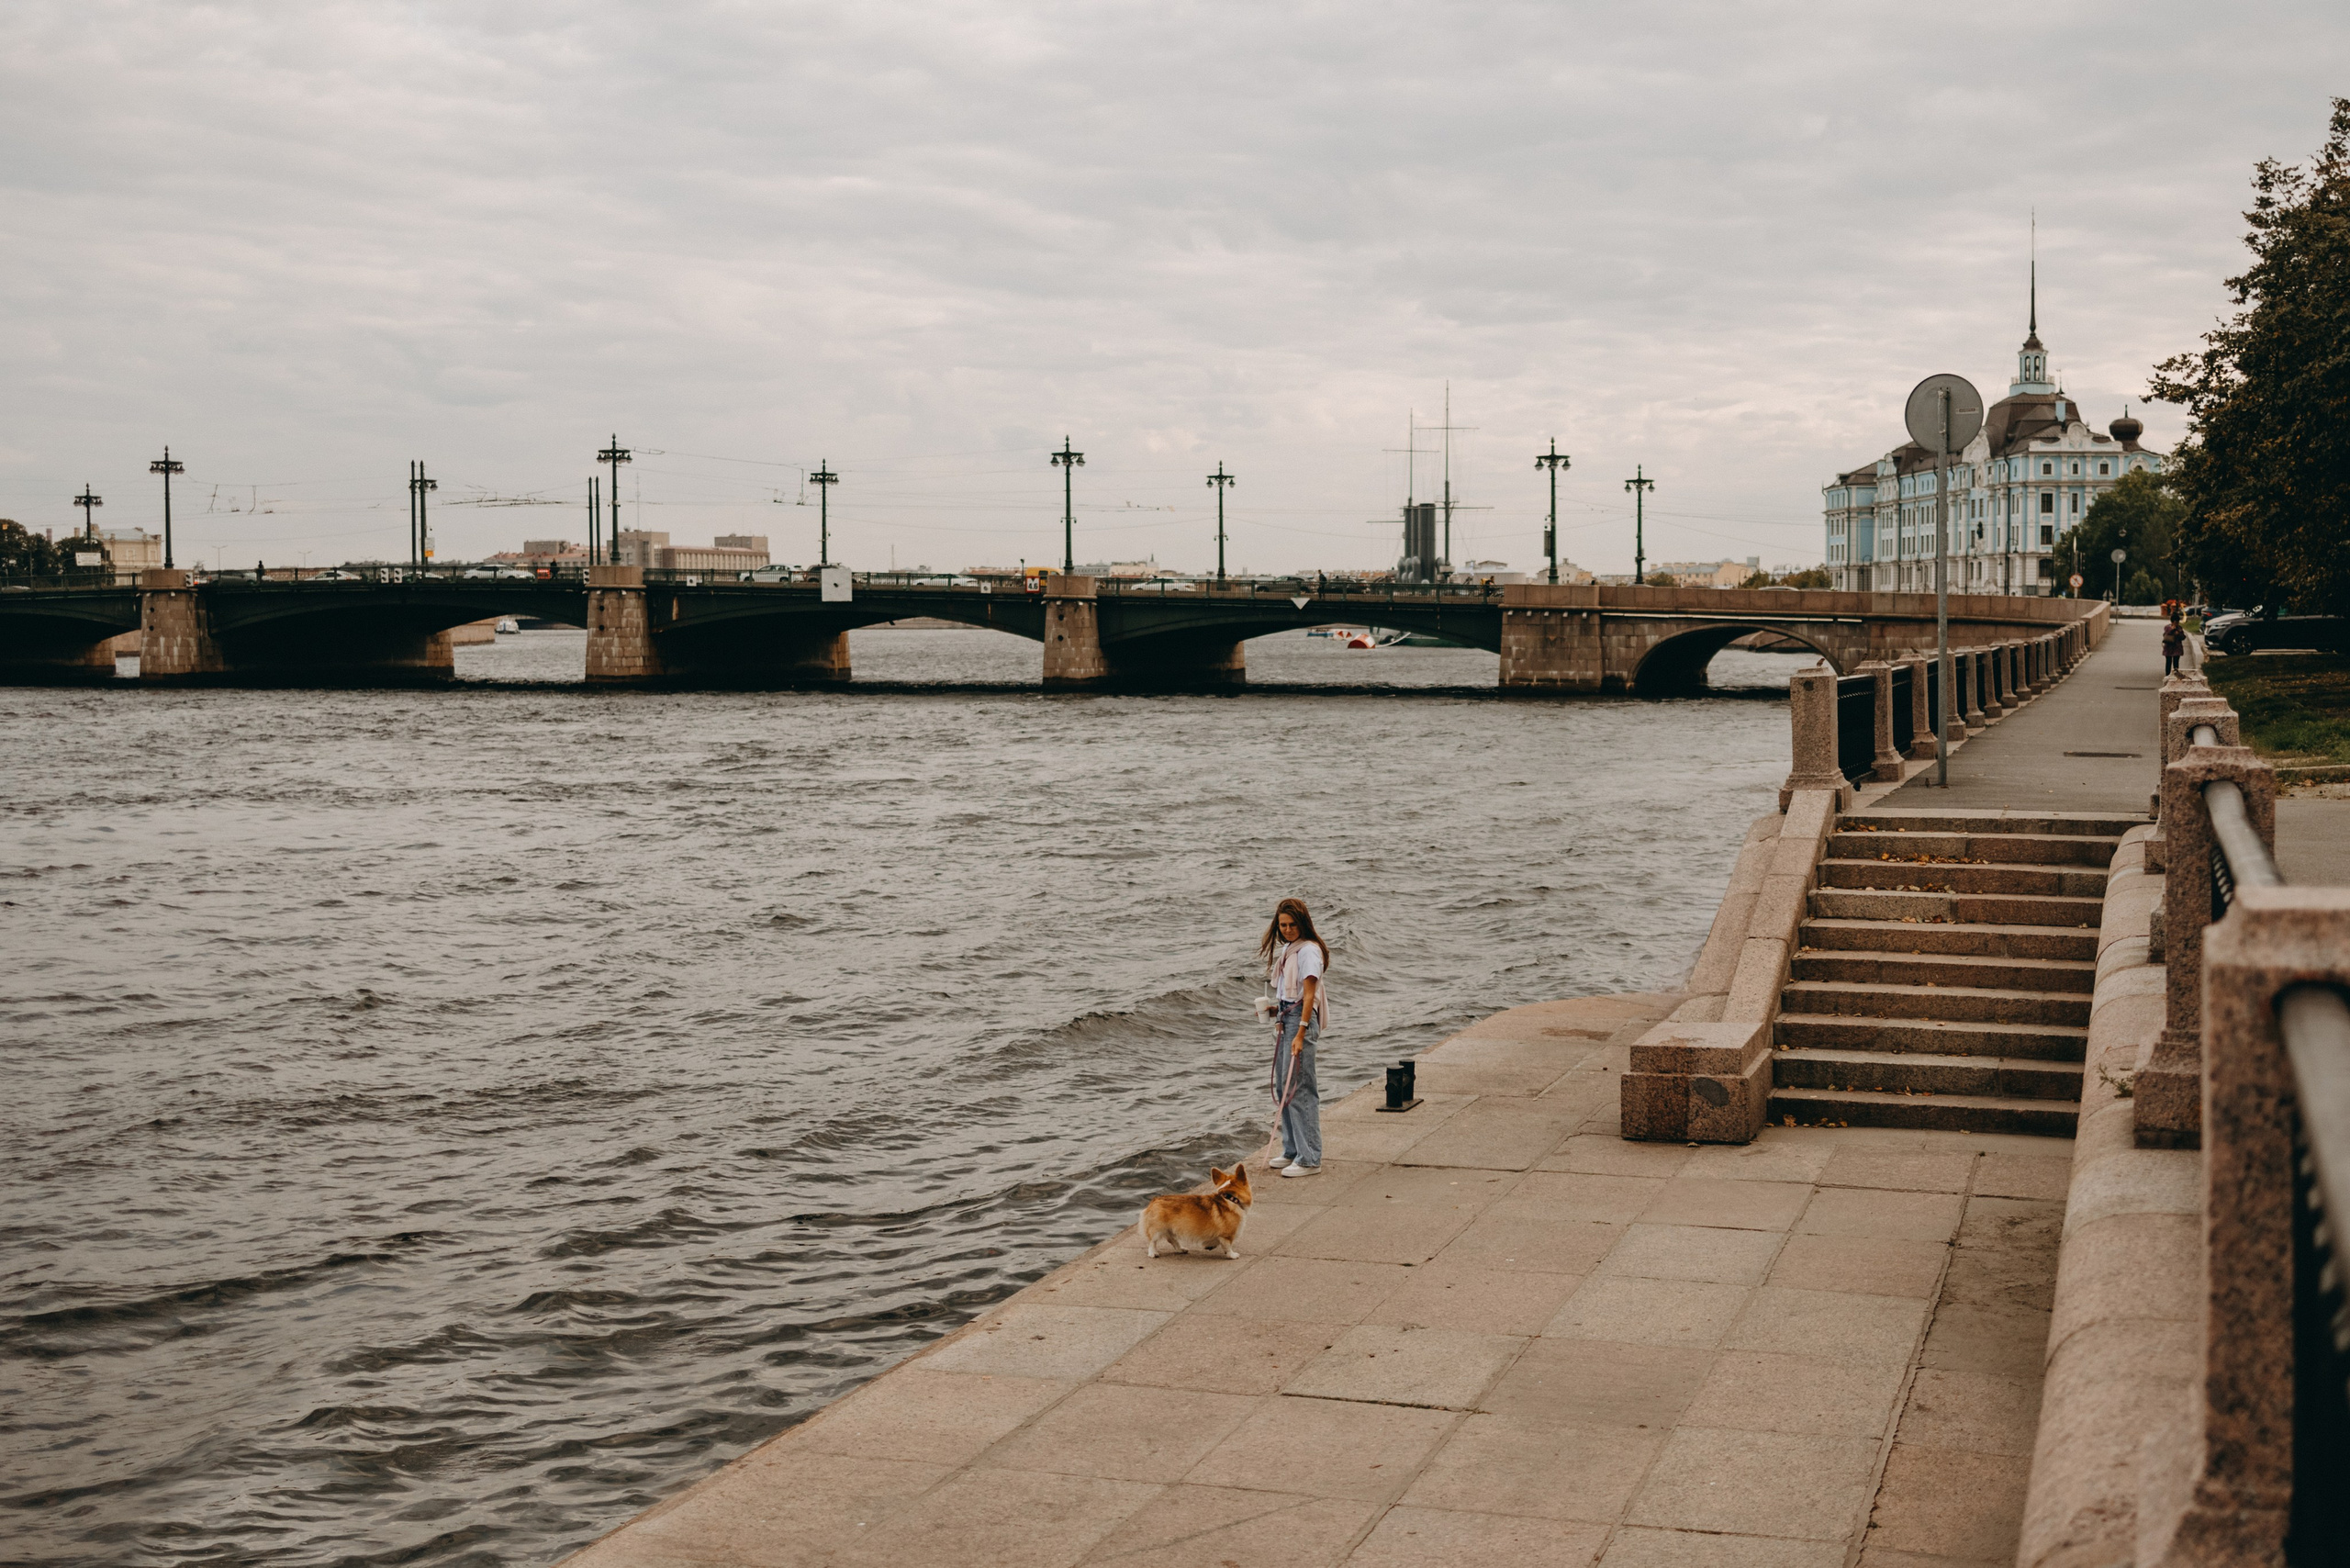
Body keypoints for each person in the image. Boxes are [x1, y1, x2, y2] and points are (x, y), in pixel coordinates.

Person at [1260, 898, 1328, 1177]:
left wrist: (1300, 1032)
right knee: (1283, 1087)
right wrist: (1275, 1009)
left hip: (1300, 1020)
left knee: (1299, 1088)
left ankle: (1310, 1157)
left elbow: (1309, 995)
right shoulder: (1289, 949)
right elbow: (1292, 993)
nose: (1287, 930)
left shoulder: (1309, 950)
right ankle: (1292, 1150)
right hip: (1287, 1017)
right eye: (1283, 925)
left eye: (1292, 924)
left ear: (1303, 923)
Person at [2163, 611, 2186, 676]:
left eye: (2178, 622)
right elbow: (2166, 634)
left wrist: (2179, 634)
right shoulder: (2167, 627)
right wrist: (2173, 630)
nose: (2177, 623)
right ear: (2172, 621)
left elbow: (2183, 637)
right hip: (2169, 647)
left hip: (2177, 647)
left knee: (2176, 662)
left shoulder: (2179, 628)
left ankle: (2176, 674)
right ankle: (2167, 675)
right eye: (2176, 622)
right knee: (2168, 662)